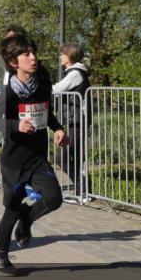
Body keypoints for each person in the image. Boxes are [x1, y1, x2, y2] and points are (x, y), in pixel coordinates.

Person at [0, 33, 68, 276]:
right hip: (14, 162)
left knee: (53, 199)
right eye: (26, 54)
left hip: (38, 158)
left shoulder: (41, 83)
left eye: (33, 52)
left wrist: (59, 128)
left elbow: (46, 112)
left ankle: (28, 220)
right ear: (13, 63)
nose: (33, 57)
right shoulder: (11, 92)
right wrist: (15, 125)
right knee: (12, 208)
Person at [52, 43, 91, 200]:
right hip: (73, 120)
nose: (61, 56)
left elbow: (57, 89)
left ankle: (83, 192)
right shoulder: (74, 71)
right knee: (70, 157)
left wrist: (36, 88)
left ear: (71, 55)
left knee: (63, 158)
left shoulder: (75, 73)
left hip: (75, 121)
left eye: (63, 54)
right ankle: (82, 192)